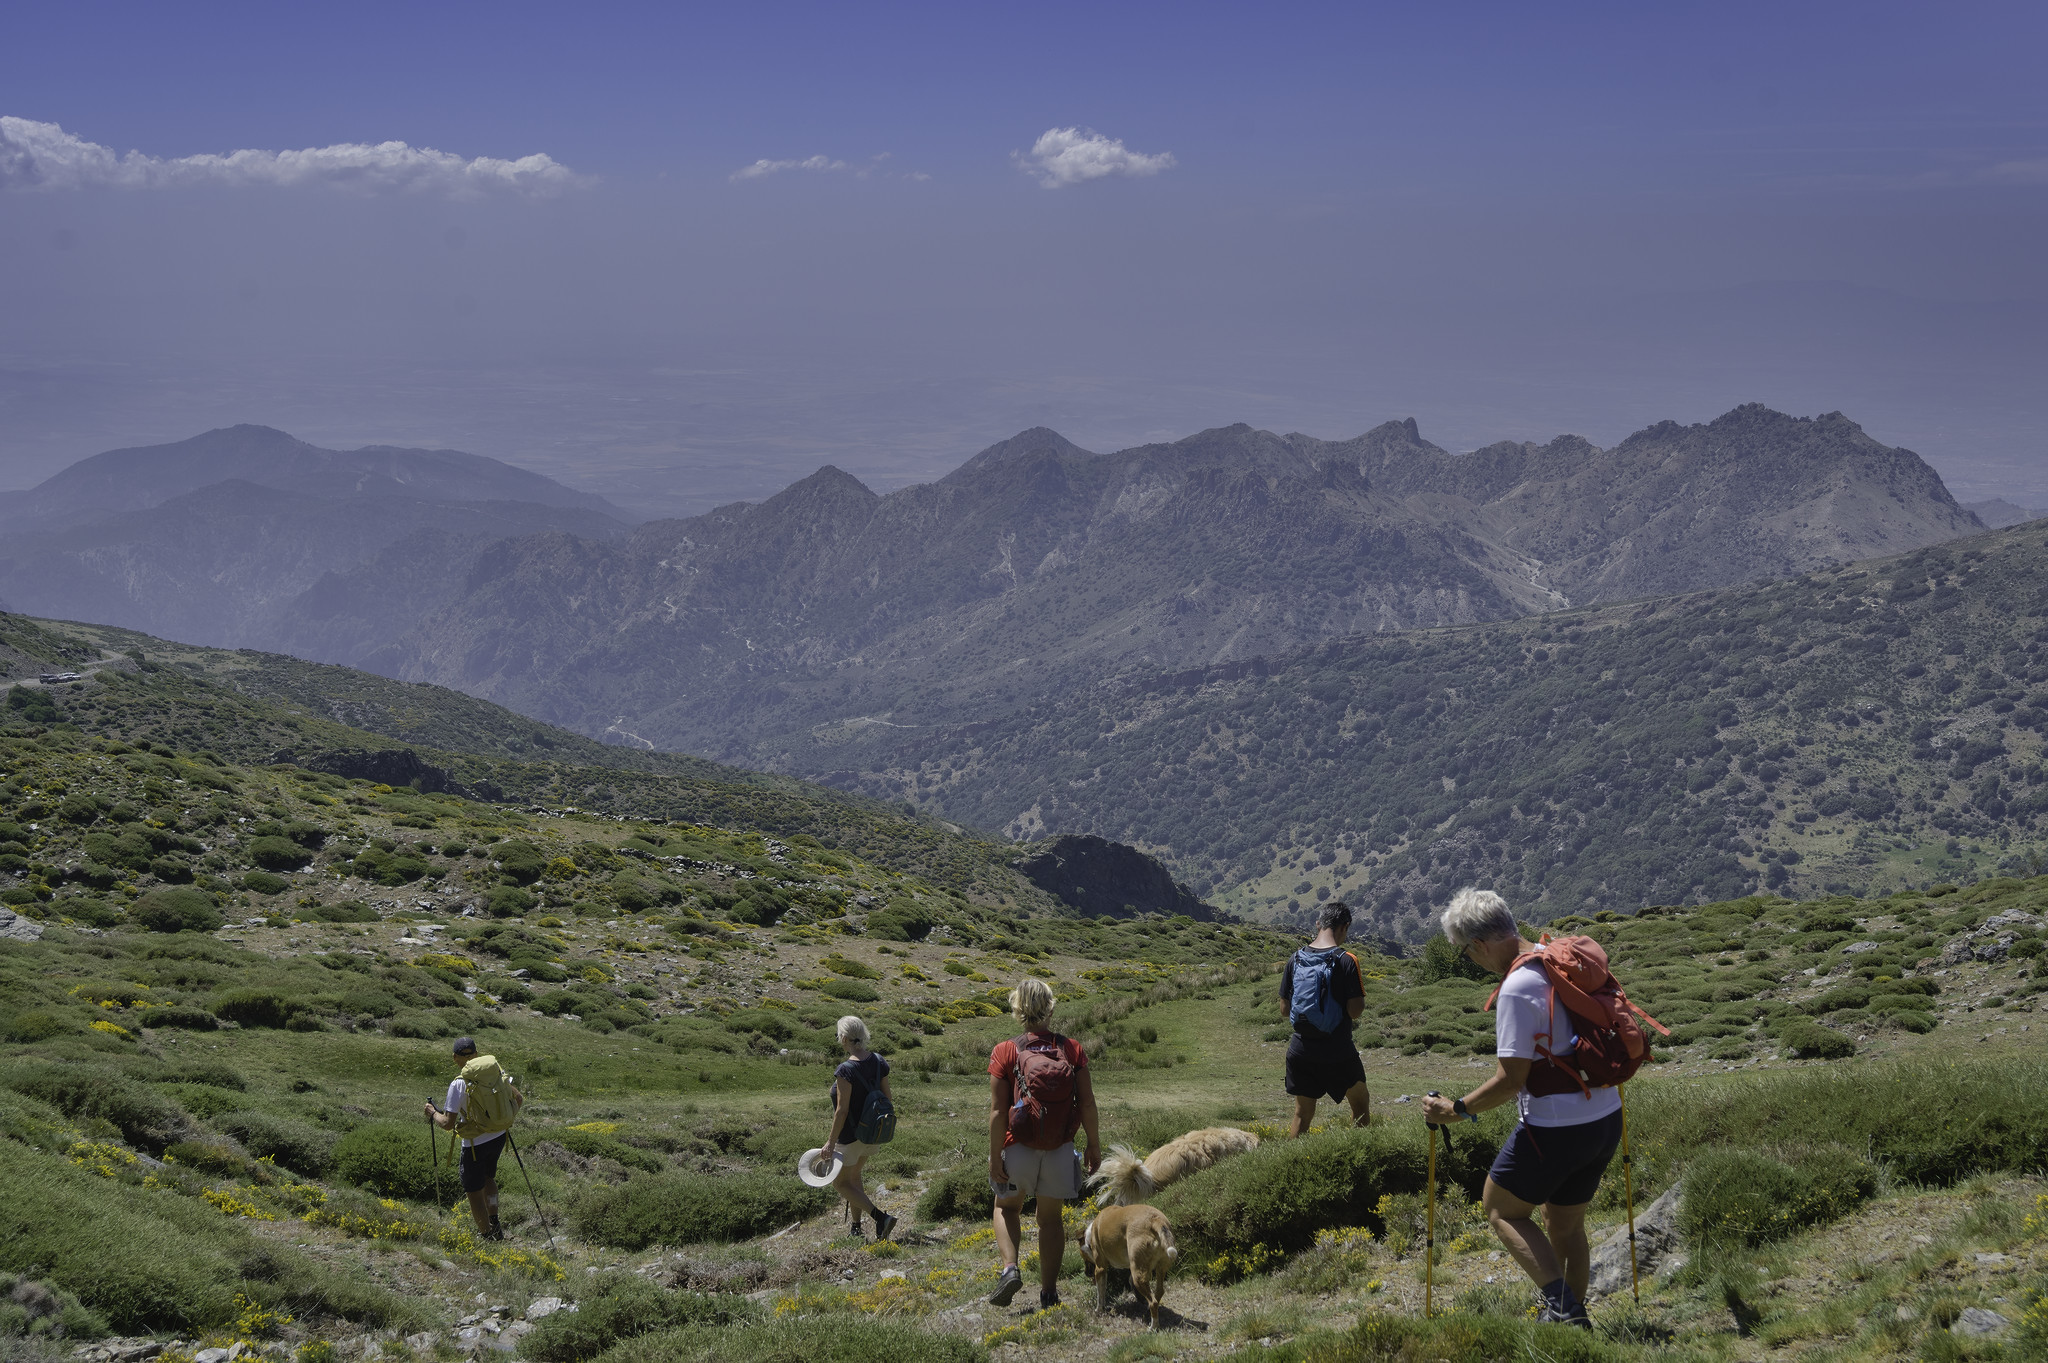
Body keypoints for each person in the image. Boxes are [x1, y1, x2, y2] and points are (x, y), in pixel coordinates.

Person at [1422, 888, 1621, 1330]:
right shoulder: (1557, 958)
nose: (1470, 962)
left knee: (1501, 1209)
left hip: (1556, 1128)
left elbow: (1510, 1081)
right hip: (1605, 1116)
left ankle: (1565, 1311)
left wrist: (1453, 1109)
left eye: (1465, 953)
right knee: (1564, 1223)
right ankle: (1571, 1315)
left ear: (1479, 944)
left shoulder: (1517, 986)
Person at [986, 977, 1101, 1311]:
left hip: (1018, 1146)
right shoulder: (1072, 1049)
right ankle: (1049, 1292)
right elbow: (1088, 1103)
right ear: (1051, 1007)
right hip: (1060, 1147)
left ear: (1017, 1008)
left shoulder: (1005, 1050)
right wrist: (1093, 1144)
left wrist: (996, 1158)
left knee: (1006, 1207)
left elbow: (997, 1112)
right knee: (1050, 1219)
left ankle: (1010, 1269)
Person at [1279, 900, 1371, 1136]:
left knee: (1302, 1115)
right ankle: (1358, 1160)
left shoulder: (1296, 958)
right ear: (1345, 926)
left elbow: (1284, 1008)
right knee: (1360, 1105)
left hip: (1300, 1049)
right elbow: (1355, 1011)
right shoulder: (1347, 959)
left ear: (1319, 924)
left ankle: (1291, 1166)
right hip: (1337, 1050)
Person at [423, 1036, 523, 1240]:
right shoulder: (495, 1073)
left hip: (474, 1145)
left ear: (454, 1057)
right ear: (476, 1054)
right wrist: (503, 1120)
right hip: (498, 1137)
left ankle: (486, 1236)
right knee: (488, 1179)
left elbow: (447, 1124)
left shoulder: (458, 1084)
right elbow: (518, 1098)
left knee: (473, 1191)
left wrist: (432, 1113)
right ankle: (494, 1223)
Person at [817, 1015, 898, 1241]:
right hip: (873, 1134)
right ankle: (855, 1226)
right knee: (854, 1178)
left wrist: (830, 1142)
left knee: (841, 1183)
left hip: (850, 1137)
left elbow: (841, 1111)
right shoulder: (879, 1061)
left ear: (843, 1038)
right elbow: (887, 1098)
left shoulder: (846, 1069)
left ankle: (880, 1218)